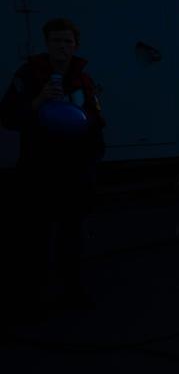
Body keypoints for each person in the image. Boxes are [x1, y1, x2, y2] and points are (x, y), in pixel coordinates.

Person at [0, 18, 105, 315]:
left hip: (75, 167)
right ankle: (35, 294)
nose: (62, 46)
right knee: (37, 233)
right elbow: (8, 117)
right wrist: (38, 101)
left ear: (76, 45)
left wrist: (94, 155)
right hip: (39, 167)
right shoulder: (28, 76)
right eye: (57, 41)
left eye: (67, 41)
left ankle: (72, 290)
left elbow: (96, 119)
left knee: (72, 231)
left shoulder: (83, 79)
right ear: (47, 44)